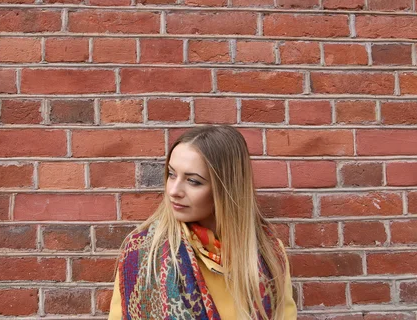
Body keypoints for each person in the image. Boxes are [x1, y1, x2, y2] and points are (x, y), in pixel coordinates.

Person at [108, 125, 297, 319]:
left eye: (193, 181)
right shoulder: (142, 253)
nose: (174, 190)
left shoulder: (268, 254)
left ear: (226, 189)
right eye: (172, 174)